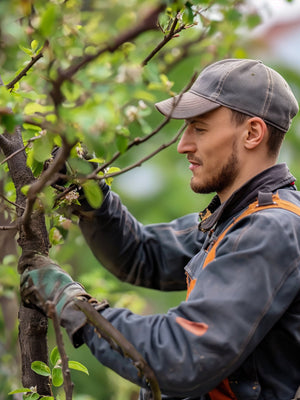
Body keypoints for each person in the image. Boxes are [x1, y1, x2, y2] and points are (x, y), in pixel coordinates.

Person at [20, 58, 300, 400]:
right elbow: (143, 254)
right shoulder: (237, 219)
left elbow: (180, 356)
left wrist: (73, 305)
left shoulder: (271, 229)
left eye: (199, 128)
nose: (183, 144)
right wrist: (93, 194)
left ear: (253, 133)